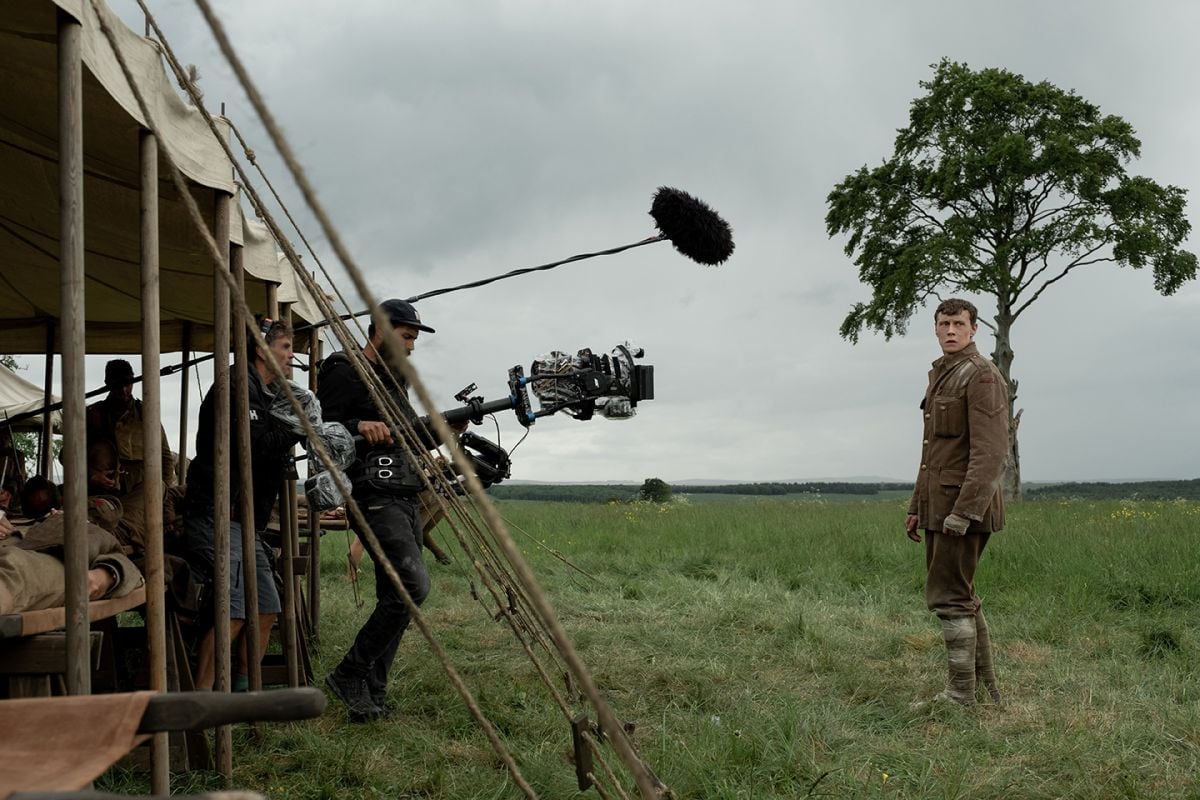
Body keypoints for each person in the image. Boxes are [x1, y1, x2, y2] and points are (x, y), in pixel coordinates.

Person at [318, 298, 456, 721]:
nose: (411, 346)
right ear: (379, 330)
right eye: (406, 335)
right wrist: (358, 426)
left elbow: (405, 440)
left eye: (414, 338)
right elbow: (320, 428)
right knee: (411, 588)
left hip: (404, 489)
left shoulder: (397, 379)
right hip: (372, 491)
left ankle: (371, 696)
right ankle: (348, 674)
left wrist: (446, 428)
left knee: (393, 595)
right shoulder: (342, 368)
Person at [183, 320, 302, 691]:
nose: (291, 354)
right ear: (261, 350)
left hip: (243, 521)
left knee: (266, 608)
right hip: (218, 514)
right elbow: (253, 444)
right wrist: (294, 428)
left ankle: (241, 692)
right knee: (232, 611)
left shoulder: (265, 392)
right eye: (284, 346)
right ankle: (201, 705)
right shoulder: (237, 385)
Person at [905, 297, 1008, 706]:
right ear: (935, 328)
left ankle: (960, 695)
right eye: (944, 323)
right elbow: (932, 452)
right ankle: (984, 690)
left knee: (949, 596)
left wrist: (964, 512)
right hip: (938, 504)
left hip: (961, 508)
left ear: (974, 328)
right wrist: (916, 507)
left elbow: (991, 452)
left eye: (959, 324)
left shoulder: (981, 375)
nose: (951, 330)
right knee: (960, 593)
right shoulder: (941, 374)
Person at [0, 476, 143, 615]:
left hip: (120, 527)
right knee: (128, 617)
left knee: (155, 485)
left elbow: (111, 515)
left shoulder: (71, 510)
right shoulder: (21, 526)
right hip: (117, 533)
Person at [86, 359, 177, 492]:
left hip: (141, 489)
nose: (124, 390)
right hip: (104, 490)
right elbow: (67, 454)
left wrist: (164, 491)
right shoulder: (94, 415)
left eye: (127, 383)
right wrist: (92, 474)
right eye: (118, 385)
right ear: (107, 384)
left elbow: (165, 458)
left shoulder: (146, 414)